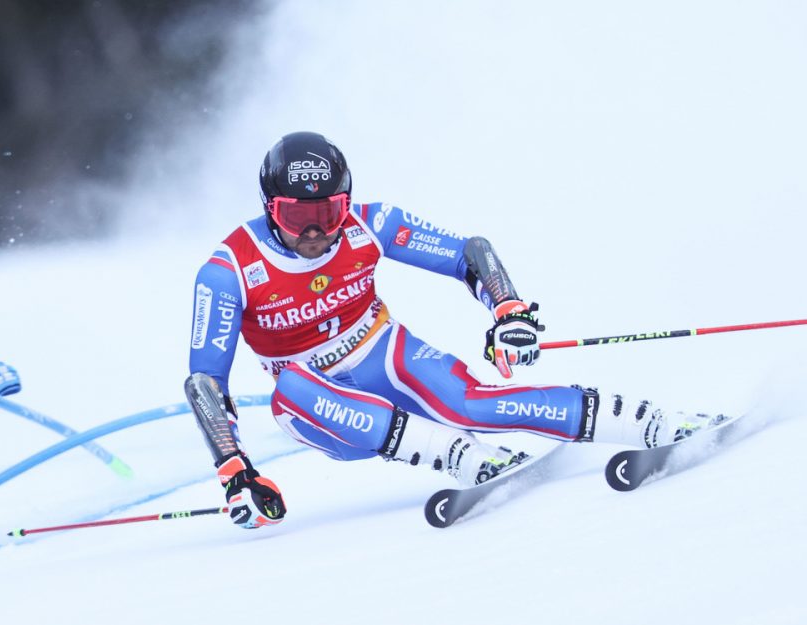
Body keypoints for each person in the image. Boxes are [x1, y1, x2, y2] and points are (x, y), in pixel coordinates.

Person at [184, 131, 717, 529]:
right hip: (321, 406)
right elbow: (205, 383)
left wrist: (506, 308)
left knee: (472, 403)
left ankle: (651, 423)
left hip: (381, 350)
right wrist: (235, 468)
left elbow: (469, 252)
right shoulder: (229, 269)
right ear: (268, 208)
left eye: (329, 211)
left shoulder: (370, 223)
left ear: (347, 202)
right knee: (288, 393)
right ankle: (459, 457)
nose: (317, 232)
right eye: (298, 217)